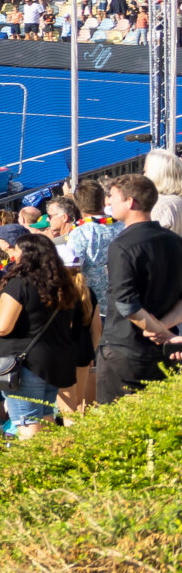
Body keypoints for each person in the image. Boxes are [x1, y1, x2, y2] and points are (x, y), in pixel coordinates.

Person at [0, 233, 92, 437]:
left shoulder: (19, 284)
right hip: (55, 362)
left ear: (26, 255)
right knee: (46, 418)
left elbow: (3, 326)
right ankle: (52, 463)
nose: (12, 253)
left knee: (28, 424)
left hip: (26, 364)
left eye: (16, 249)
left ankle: (34, 467)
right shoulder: (63, 285)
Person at [95, 173, 182, 405]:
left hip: (125, 350)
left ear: (130, 202)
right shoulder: (175, 241)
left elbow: (127, 304)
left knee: (115, 428)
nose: (107, 202)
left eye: (112, 196)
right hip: (165, 351)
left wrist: (160, 331)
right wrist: (164, 330)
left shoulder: (123, 244)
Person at [145, 148, 182, 235]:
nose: (144, 175)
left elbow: (148, 241)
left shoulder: (161, 205)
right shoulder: (177, 200)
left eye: (146, 171)